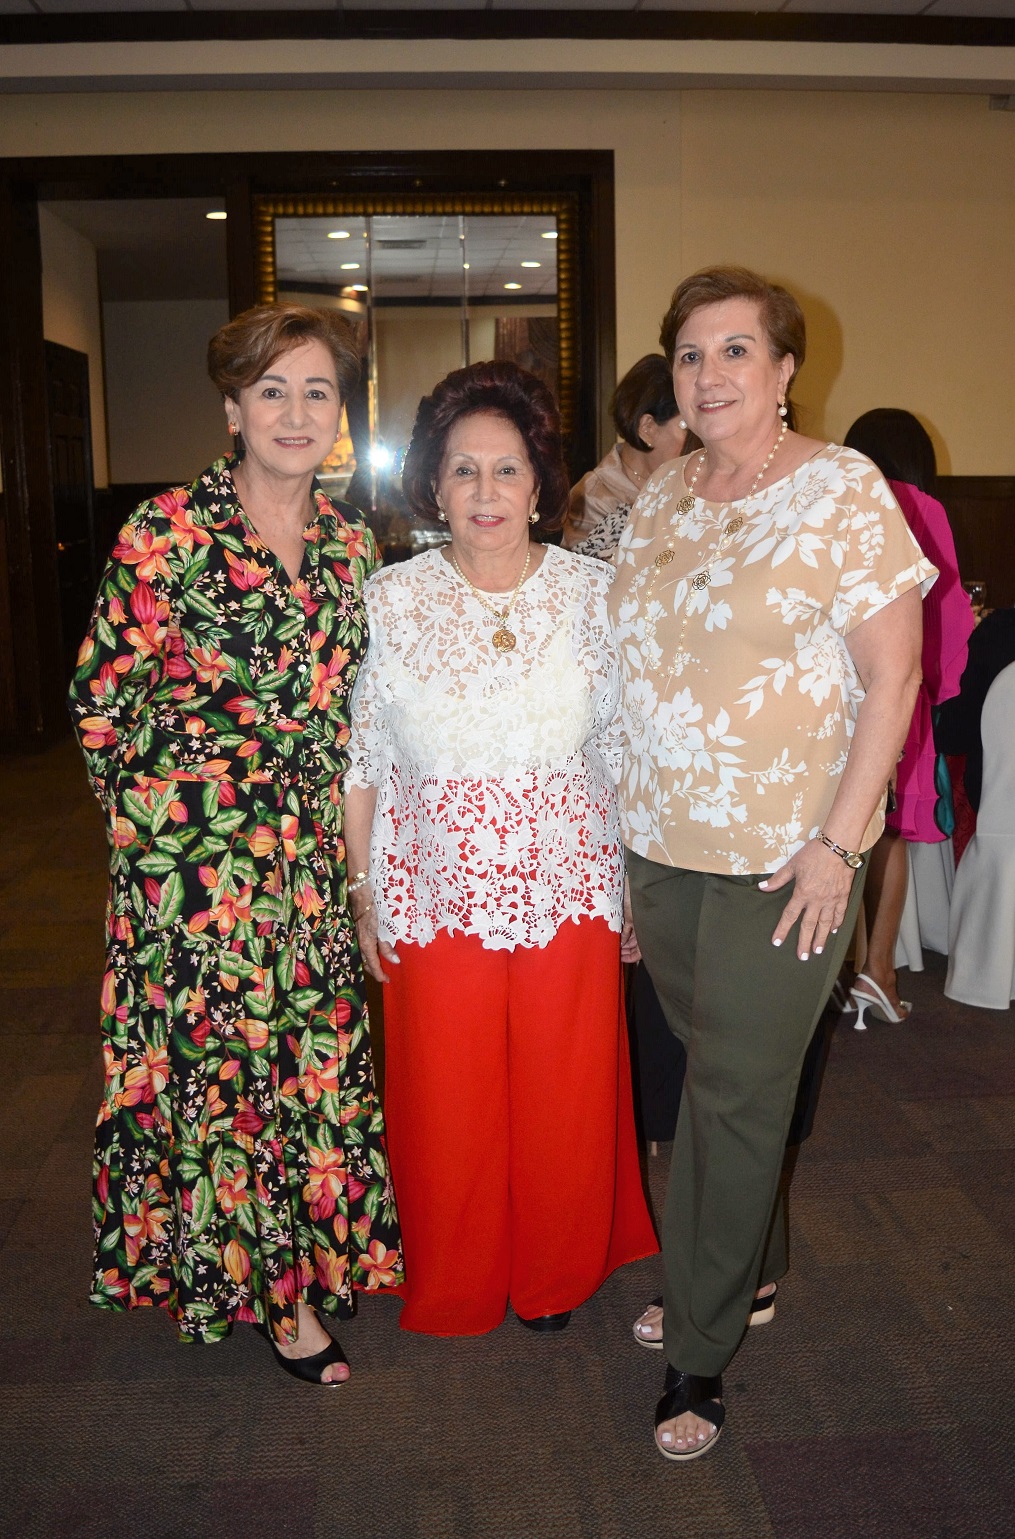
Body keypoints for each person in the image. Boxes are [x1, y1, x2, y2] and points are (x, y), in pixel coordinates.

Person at [609, 266, 936, 1460]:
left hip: (782, 855)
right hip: (661, 849)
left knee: (732, 1100)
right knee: (715, 1073)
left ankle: (697, 1354)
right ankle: (751, 1265)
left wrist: (837, 849)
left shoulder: (841, 491)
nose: (709, 377)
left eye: (735, 351)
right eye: (691, 356)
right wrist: (618, 840)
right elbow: (627, 677)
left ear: (785, 369)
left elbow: (892, 677)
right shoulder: (660, 497)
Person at [68, 302, 402, 1386]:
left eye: (316, 391)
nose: (297, 413)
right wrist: (167, 846)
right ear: (232, 409)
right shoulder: (165, 531)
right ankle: (272, 1297)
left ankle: (305, 1253)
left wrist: (354, 867)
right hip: (197, 872)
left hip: (307, 859)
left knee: (308, 1065)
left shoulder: (356, 545)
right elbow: (100, 703)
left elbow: (365, 718)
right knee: (226, 1078)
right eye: (273, 391)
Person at [344, 359, 658, 1336]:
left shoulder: (594, 594)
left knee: (566, 1088)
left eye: (507, 469)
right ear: (433, 486)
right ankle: (458, 1270)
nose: (487, 493)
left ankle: (555, 1271)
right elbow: (361, 759)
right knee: (448, 1095)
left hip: (570, 877)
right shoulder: (388, 602)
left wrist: (636, 888)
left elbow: (622, 746)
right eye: (464, 471)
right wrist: (361, 892)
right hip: (434, 882)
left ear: (540, 484)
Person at [842, 409, 974, 1027]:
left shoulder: (838, 495)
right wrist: (944, 694)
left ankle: (833, 977)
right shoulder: (922, 506)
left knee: (832, 828)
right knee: (886, 834)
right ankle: (879, 973)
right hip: (897, 689)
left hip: (830, 693)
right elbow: (948, 613)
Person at [562, 353, 701, 561]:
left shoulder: (692, 477)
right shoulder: (591, 498)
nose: (698, 436)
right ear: (647, 428)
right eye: (685, 426)